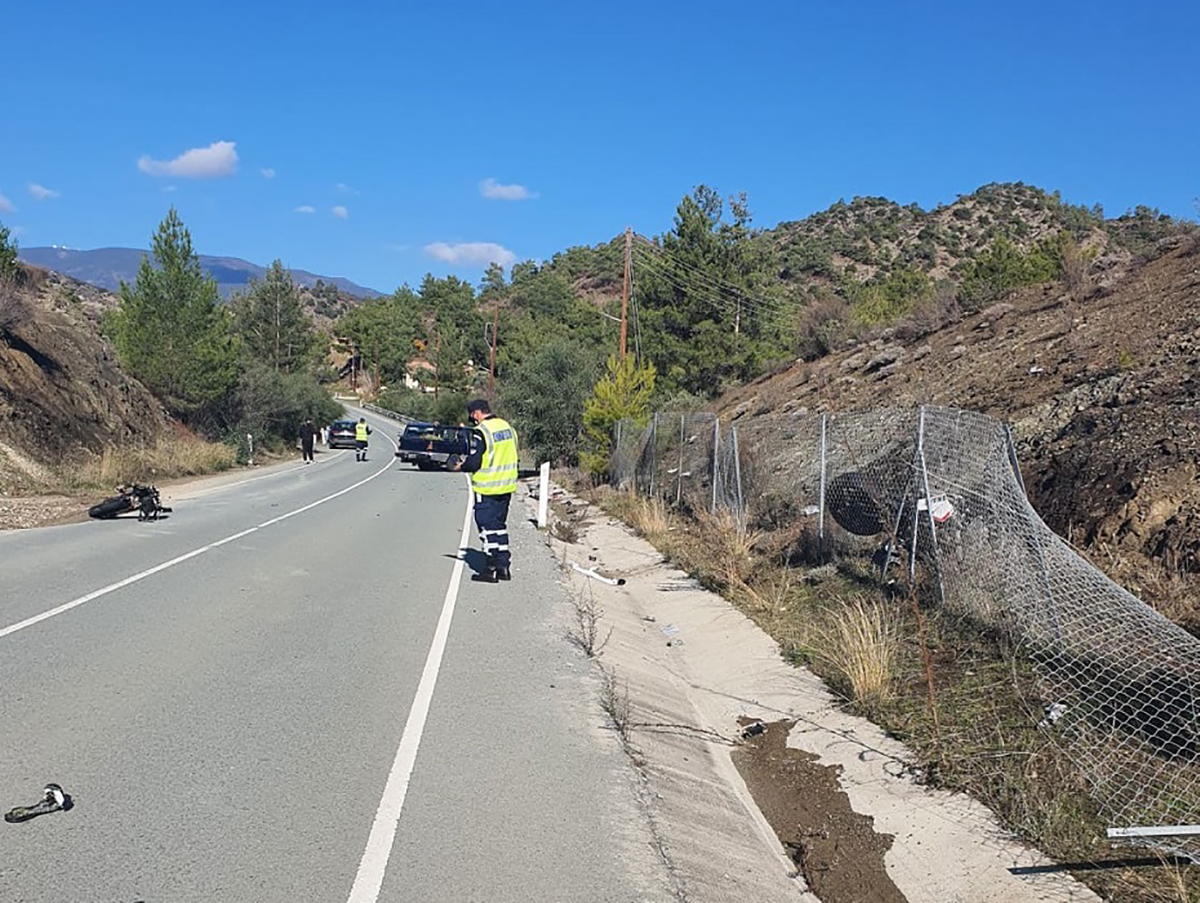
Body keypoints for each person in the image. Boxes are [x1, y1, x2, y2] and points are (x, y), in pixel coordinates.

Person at [452, 399, 518, 583]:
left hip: (486, 487)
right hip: (506, 487)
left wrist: (460, 466)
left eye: (472, 416)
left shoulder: (481, 432)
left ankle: (490, 569)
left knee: (487, 529)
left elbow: (474, 462)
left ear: (476, 413)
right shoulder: (507, 428)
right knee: (499, 527)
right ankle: (503, 567)